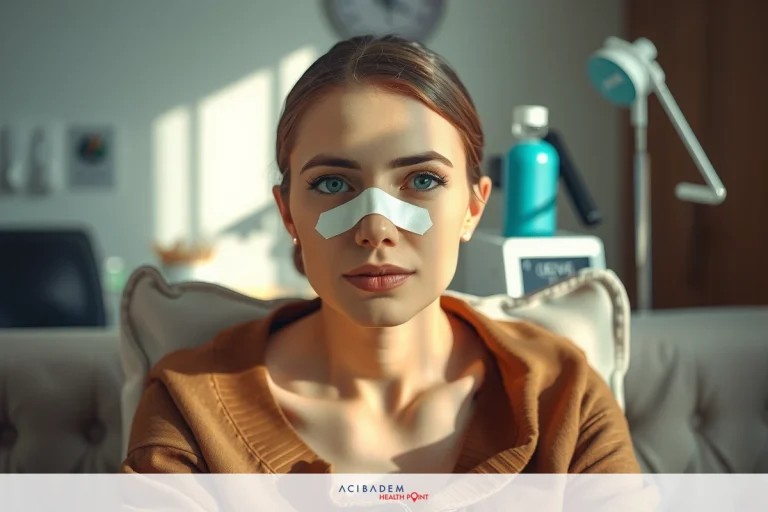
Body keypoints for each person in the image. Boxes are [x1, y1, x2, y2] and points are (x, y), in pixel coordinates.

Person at [121, 35, 640, 475]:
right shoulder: (189, 408)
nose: (375, 229)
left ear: (473, 208)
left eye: (422, 180)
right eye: (330, 183)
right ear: (288, 215)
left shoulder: (563, 395)